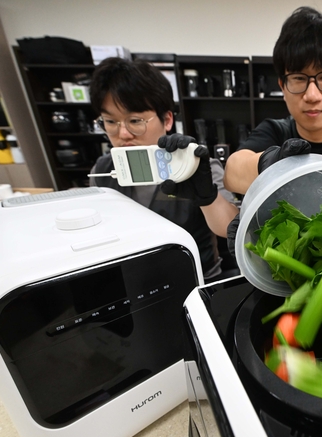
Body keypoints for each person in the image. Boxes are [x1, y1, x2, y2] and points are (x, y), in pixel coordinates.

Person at [89, 57, 239, 280]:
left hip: (196, 282)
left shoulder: (195, 165)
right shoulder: (102, 171)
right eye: (110, 122)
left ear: (167, 120)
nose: (123, 134)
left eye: (136, 120)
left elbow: (234, 229)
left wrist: (208, 198)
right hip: (131, 286)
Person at [223, 6, 322, 196]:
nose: (312, 95)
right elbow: (232, 172)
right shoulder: (274, 131)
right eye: (298, 78)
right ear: (283, 85)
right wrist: (273, 164)